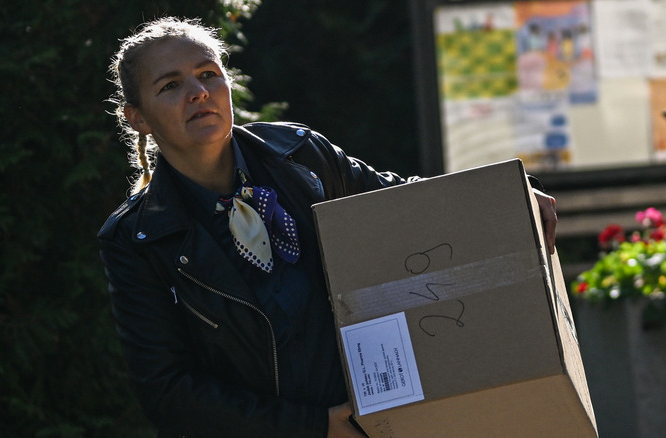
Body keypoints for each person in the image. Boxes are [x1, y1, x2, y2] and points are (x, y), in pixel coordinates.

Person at [98, 17, 558, 438]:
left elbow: (403, 201)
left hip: (380, 423)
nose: (198, 91)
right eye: (170, 85)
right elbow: (169, 393)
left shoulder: (301, 155)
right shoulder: (135, 239)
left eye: (207, 73)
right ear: (136, 117)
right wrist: (311, 428)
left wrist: (509, 198)